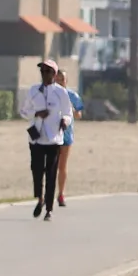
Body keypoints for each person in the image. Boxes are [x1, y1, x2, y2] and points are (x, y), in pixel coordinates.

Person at [20, 59, 73, 222]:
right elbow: (24, 111)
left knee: (51, 174)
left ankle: (49, 208)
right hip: (36, 138)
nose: (44, 75)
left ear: (54, 74)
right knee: (36, 170)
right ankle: (39, 198)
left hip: (54, 139)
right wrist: (36, 113)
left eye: (48, 71)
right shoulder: (34, 90)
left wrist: (64, 121)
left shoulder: (60, 92)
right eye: (42, 71)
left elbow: (68, 113)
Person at [55, 78, 85, 207]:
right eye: (58, 80)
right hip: (52, 134)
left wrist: (70, 111)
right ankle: (46, 194)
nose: (61, 82)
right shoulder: (50, 94)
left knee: (62, 166)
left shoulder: (72, 95)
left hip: (66, 135)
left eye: (63, 80)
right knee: (50, 166)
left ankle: (61, 193)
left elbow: (79, 114)